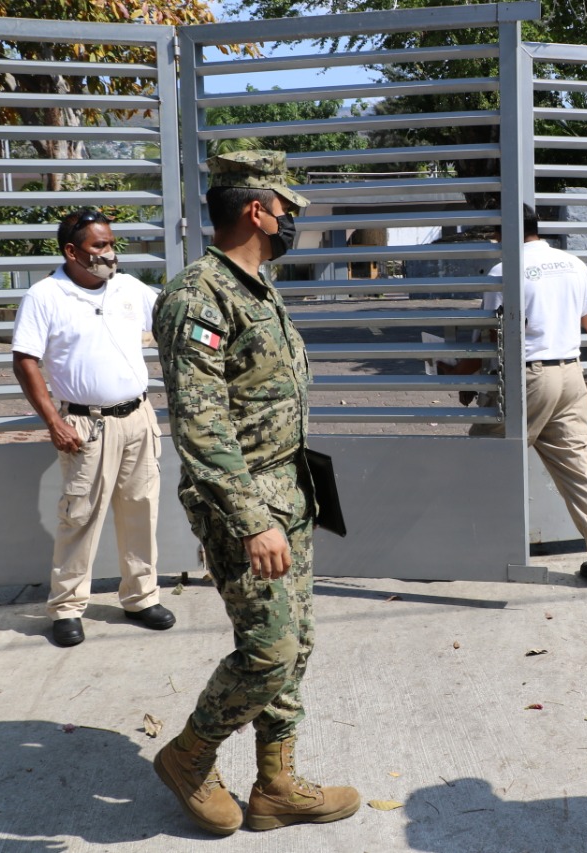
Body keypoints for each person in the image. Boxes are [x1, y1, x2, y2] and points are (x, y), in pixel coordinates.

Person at [151, 150, 359, 836]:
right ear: (255, 210)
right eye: (285, 207)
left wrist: (287, 503)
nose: (291, 218)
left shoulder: (258, 289)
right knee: (267, 651)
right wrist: (251, 520)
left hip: (288, 494)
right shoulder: (198, 296)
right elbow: (200, 424)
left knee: (296, 644)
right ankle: (189, 754)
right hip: (245, 508)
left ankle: (276, 784)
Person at [11, 208, 174, 648]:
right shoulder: (46, 296)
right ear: (72, 251)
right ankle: (67, 607)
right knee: (79, 517)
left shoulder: (128, 288)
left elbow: (169, 320)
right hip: (86, 425)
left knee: (141, 509)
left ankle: (141, 597)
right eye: (99, 246)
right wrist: (53, 421)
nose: (109, 253)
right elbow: (25, 360)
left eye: (111, 243)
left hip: (138, 417)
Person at [448, 205, 587, 589]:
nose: (493, 239)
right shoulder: (573, 265)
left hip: (527, 379)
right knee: (579, 474)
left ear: (506, 231)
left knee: (479, 460)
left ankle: (459, 552)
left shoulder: (504, 271)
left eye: (495, 231)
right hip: (570, 378)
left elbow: (492, 337)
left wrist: (461, 374)